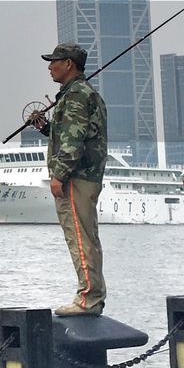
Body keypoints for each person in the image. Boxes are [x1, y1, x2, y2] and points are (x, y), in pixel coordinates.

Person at [30, 44, 108, 316]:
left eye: (54, 62)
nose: (50, 67)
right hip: (86, 175)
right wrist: (45, 128)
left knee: (79, 239)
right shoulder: (81, 94)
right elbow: (72, 134)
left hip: (76, 178)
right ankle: (92, 296)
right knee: (87, 238)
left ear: (69, 64)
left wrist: (59, 175)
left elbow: (73, 142)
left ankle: (88, 299)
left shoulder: (75, 95)